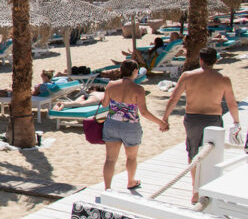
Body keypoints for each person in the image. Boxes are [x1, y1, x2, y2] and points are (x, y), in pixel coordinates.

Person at [163, 46, 240, 203]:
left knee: (193, 154)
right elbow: (231, 103)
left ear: (201, 60)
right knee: (212, 153)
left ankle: (195, 190)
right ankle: (210, 187)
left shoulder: (187, 76)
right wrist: (236, 121)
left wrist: (165, 118)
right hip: (213, 119)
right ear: (216, 60)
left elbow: (174, 98)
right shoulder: (223, 79)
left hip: (193, 119)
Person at [101, 60, 168, 192]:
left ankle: (107, 188)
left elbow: (104, 104)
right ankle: (131, 182)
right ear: (135, 71)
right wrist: (160, 123)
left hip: (112, 124)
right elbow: (144, 112)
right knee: (131, 157)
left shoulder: (111, 85)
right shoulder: (138, 89)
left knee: (110, 159)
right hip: (130, 126)